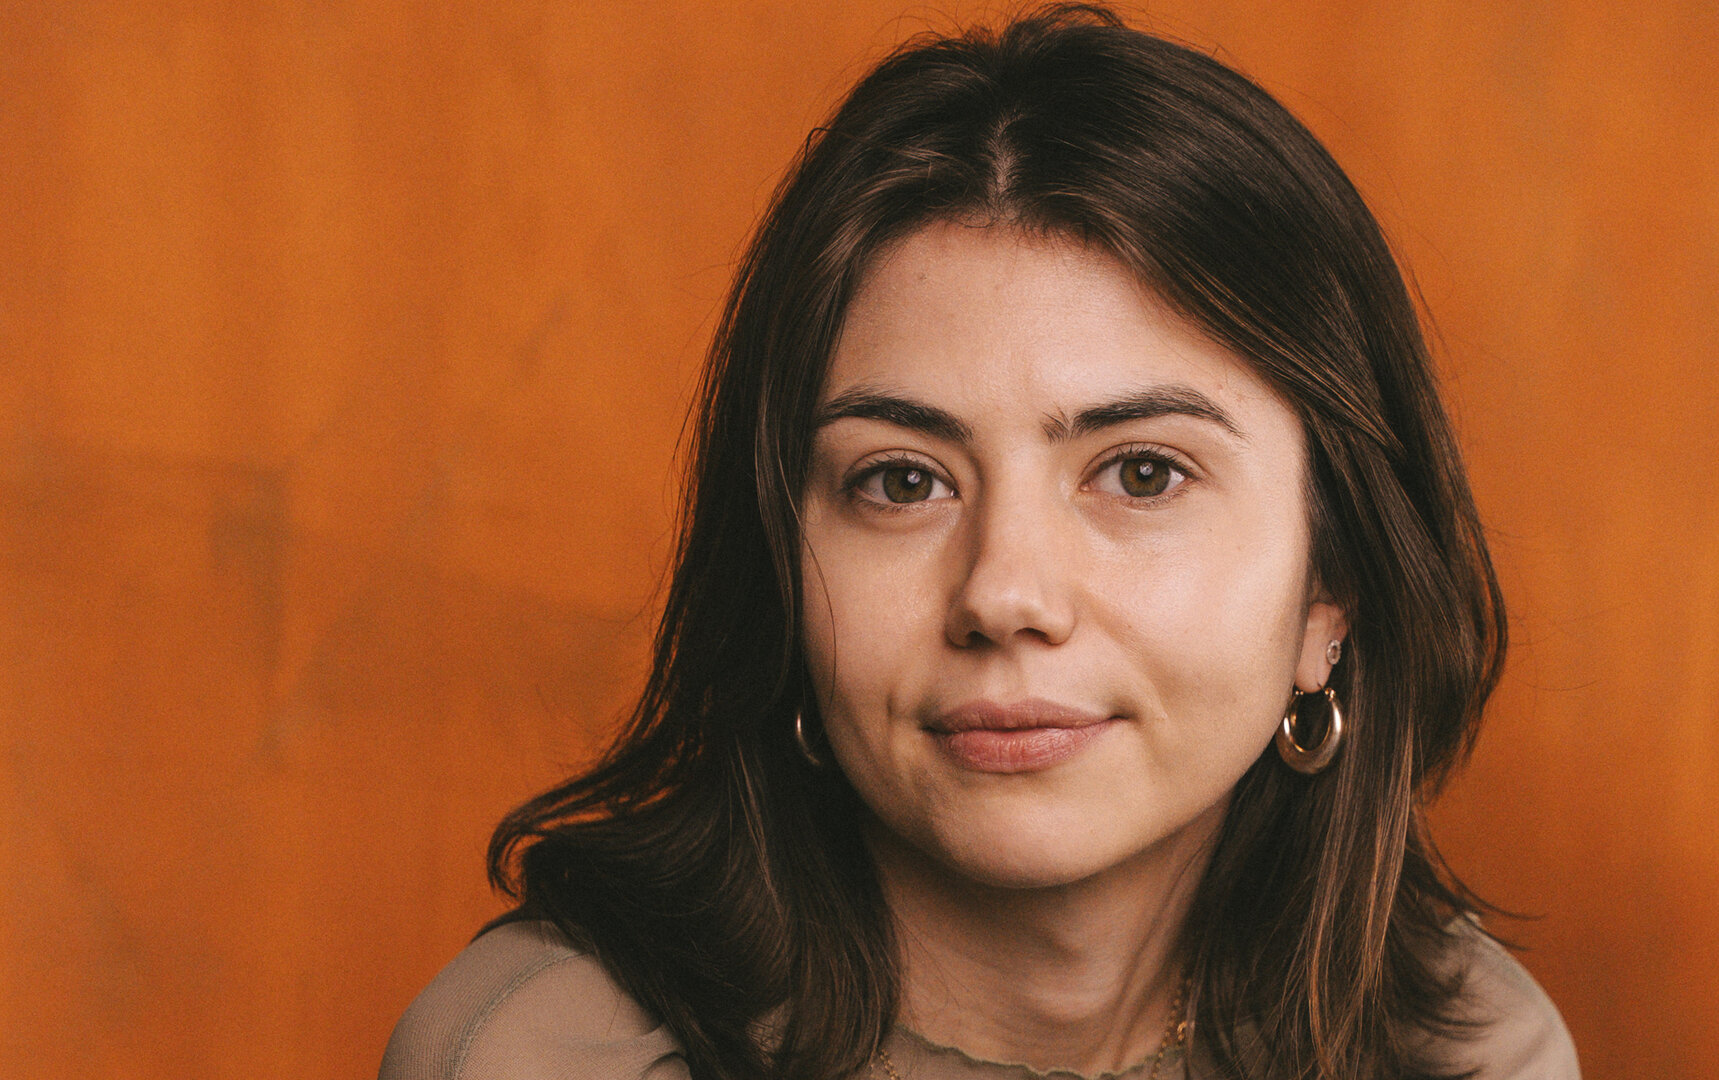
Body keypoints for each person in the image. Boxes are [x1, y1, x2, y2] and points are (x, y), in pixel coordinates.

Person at [380, 6, 1578, 1079]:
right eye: (902, 482)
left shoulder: (1466, 1054)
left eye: (1141, 473)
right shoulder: (539, 1056)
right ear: (784, 568)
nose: (1002, 594)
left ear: (1332, 589)